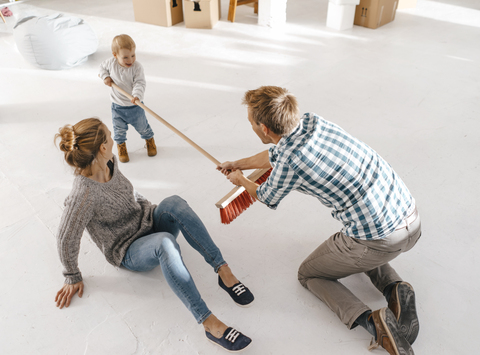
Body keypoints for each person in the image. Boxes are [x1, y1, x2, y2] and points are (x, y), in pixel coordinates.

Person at [217, 86, 421, 355]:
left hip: (378, 241)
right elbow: (275, 154)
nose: (250, 127)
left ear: (264, 128)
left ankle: (374, 323)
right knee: (358, 239)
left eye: (251, 123)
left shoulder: (291, 161)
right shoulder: (314, 122)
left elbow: (266, 196)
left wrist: (240, 181)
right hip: (410, 217)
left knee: (309, 273)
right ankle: (396, 288)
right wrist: (239, 164)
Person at [54, 117, 254, 352]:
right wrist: (72, 275)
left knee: (175, 203)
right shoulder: (83, 195)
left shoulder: (109, 164)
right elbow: (65, 237)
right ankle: (208, 322)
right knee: (165, 243)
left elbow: (128, 192)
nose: (113, 138)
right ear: (103, 147)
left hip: (146, 221)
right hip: (128, 249)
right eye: (110, 136)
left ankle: (223, 270)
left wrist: (149, 208)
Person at [99, 34, 156, 163]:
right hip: (117, 106)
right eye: (125, 57)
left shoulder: (137, 67)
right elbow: (102, 68)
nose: (130, 60)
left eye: (133, 55)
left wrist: (136, 95)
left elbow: (139, 83)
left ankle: (149, 140)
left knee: (143, 127)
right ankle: (121, 147)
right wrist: (105, 77)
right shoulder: (110, 63)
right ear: (115, 55)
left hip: (135, 106)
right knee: (118, 130)